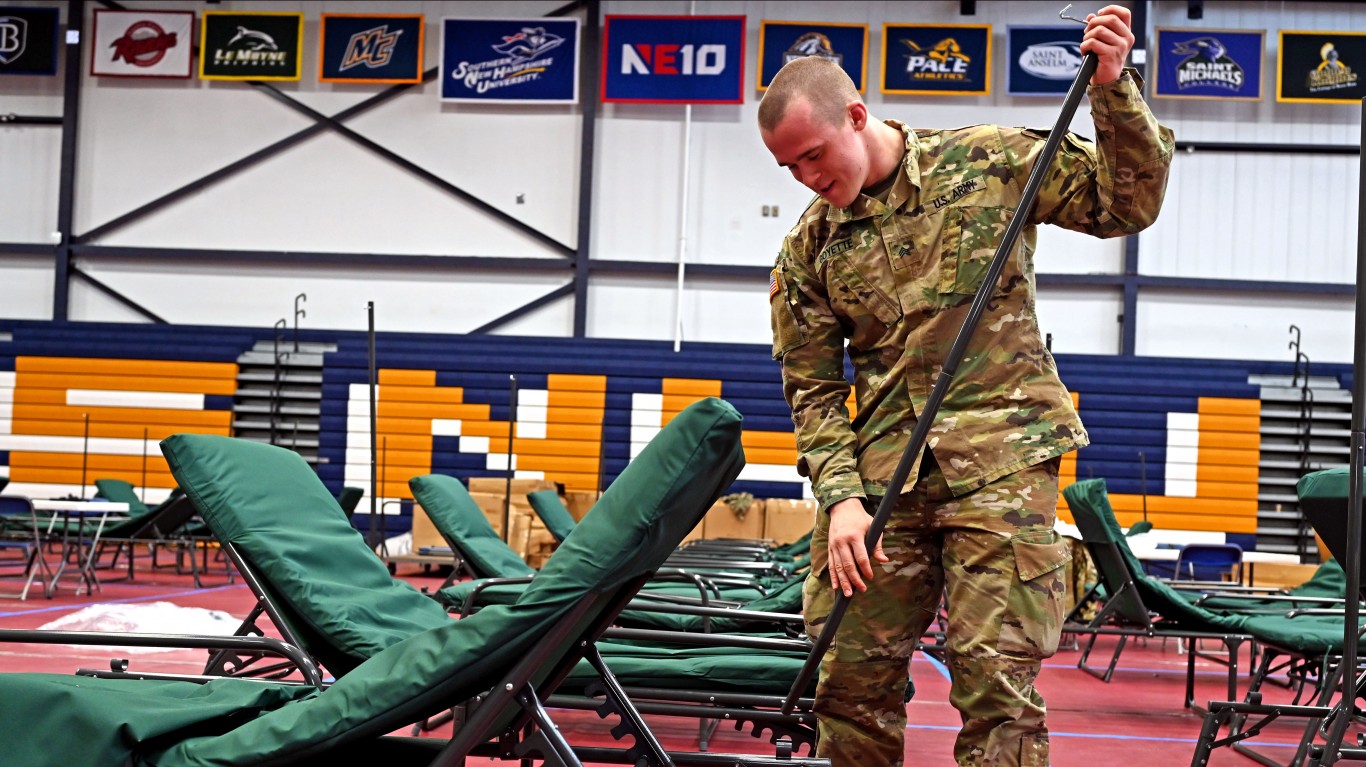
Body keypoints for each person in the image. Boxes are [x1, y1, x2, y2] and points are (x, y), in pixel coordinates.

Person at [758, 6, 1171, 767]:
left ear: (857, 114)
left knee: (996, 689)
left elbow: (1126, 203)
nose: (811, 178)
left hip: (1003, 466)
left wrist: (1114, 90)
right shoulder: (805, 252)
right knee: (847, 682)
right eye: (791, 169)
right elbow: (812, 390)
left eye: (815, 155)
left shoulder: (989, 161)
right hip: (881, 485)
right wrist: (842, 497)